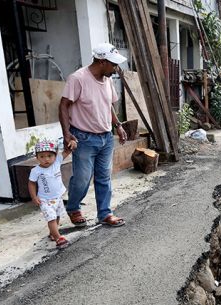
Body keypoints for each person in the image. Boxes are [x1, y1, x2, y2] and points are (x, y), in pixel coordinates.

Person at [59, 42, 127, 228]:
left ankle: (105, 213)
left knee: (104, 177)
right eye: (113, 64)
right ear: (102, 61)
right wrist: (66, 134)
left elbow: (108, 105)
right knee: (82, 178)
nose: (116, 68)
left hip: (106, 137)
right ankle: (73, 207)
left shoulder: (108, 80)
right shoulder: (78, 78)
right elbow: (63, 105)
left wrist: (118, 126)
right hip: (83, 138)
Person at [28, 139, 76, 249]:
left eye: (49, 156)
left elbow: (67, 151)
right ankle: (58, 238)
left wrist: (72, 143)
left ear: (55, 155)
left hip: (58, 198)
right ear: (37, 157)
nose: (46, 159)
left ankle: (52, 233)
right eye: (42, 156)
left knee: (57, 215)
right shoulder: (36, 171)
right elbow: (31, 184)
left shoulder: (57, 162)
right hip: (45, 200)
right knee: (51, 218)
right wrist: (34, 197)